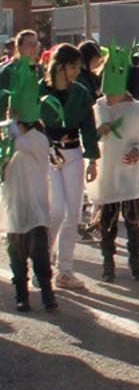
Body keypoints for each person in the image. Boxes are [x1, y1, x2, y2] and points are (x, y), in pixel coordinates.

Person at [87, 44, 139, 283]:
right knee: (107, 219)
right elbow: (89, 137)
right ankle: (108, 260)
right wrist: (99, 132)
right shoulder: (99, 107)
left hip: (130, 171)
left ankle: (135, 260)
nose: (109, 97)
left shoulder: (137, 109)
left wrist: (138, 149)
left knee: (132, 217)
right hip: (107, 171)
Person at [40, 44, 99, 290]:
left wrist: (92, 159)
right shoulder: (40, 90)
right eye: (73, 66)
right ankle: (43, 262)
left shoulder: (81, 92)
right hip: (48, 153)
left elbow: (88, 127)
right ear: (60, 66)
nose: (76, 71)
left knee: (73, 213)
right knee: (56, 210)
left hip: (73, 152)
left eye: (78, 67)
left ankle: (65, 270)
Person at [1, 61, 58, 312]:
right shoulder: (9, 136)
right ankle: (21, 294)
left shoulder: (38, 139)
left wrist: (10, 125)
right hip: (14, 201)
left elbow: (16, 142)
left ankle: (47, 293)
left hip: (35, 203)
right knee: (16, 250)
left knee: (39, 251)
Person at [0, 29, 42, 118]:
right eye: (29, 44)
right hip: (15, 122)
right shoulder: (8, 71)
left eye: (36, 43)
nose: (34, 47)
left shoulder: (40, 70)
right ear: (19, 47)